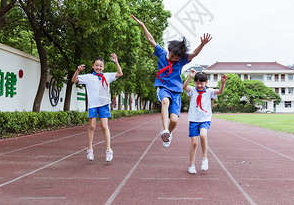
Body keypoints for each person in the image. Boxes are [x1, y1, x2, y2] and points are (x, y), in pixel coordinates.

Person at [131, 15, 212, 147]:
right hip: (163, 87)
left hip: (176, 91)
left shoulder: (180, 60)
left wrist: (202, 44)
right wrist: (142, 25)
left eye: (176, 58)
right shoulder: (162, 54)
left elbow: (194, 54)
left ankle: (168, 132)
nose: (174, 59)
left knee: (174, 121)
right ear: (169, 50)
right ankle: (164, 129)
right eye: (172, 56)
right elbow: (151, 39)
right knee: (164, 101)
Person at [71, 53, 123, 162]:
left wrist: (116, 62)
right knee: (91, 126)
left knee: (104, 126)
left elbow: (120, 73)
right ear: (93, 66)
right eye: (96, 65)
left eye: (100, 66)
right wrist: (78, 71)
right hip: (93, 105)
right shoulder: (88, 77)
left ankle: (108, 150)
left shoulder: (107, 76)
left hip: (104, 104)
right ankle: (89, 149)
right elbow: (74, 80)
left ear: (103, 67)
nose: (98, 67)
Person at [183, 69, 227, 174]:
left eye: (201, 83)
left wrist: (223, 83)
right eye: (197, 83)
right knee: (194, 143)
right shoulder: (193, 90)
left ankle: (204, 159)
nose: (199, 85)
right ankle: (192, 165)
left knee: (203, 135)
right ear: (195, 83)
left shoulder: (209, 92)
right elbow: (184, 87)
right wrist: (189, 76)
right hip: (193, 120)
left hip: (205, 120)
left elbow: (220, 91)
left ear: (206, 83)